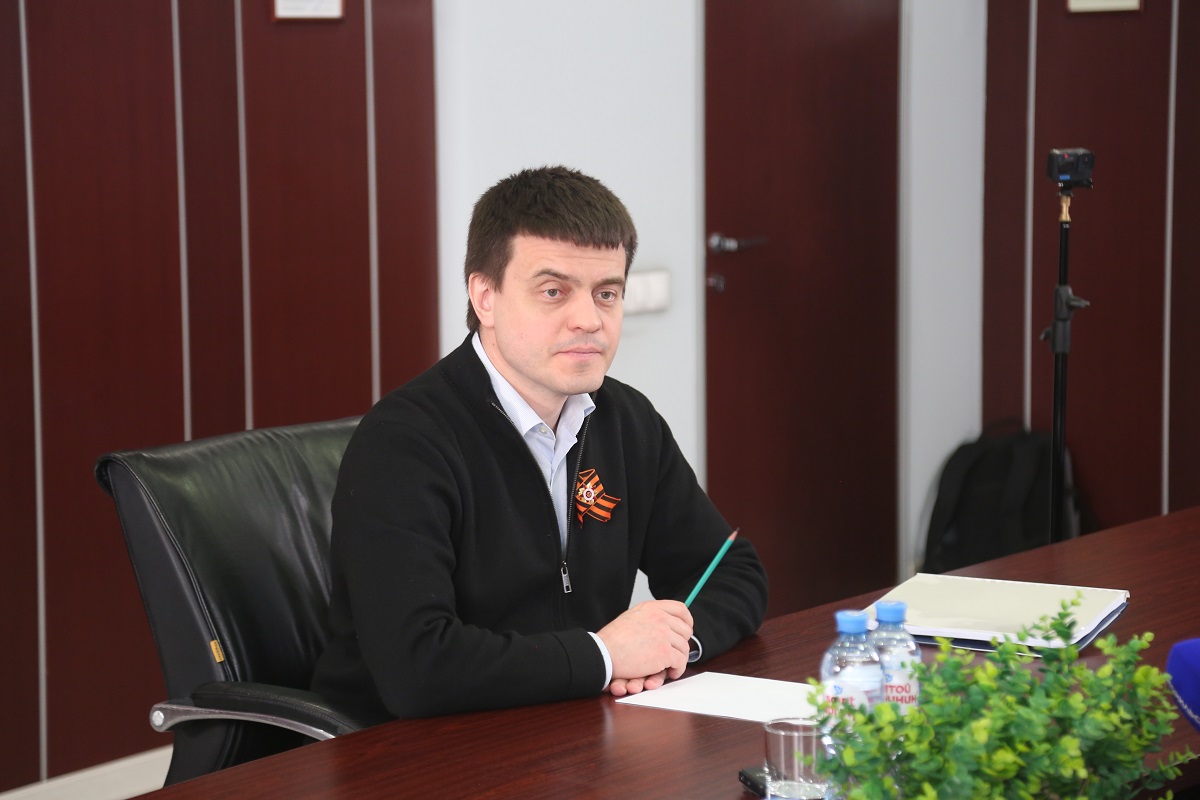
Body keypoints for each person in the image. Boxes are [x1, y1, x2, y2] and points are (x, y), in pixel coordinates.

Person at [311, 165, 768, 722]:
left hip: (569, 724)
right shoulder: (403, 444)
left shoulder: (626, 420)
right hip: (410, 747)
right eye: (554, 292)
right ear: (485, 297)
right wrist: (604, 656)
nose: (589, 320)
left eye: (607, 293)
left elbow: (730, 571)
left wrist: (672, 648)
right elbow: (418, 668)